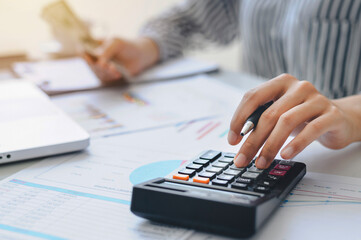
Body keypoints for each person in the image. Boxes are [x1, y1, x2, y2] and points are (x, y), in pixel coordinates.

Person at [85, 0, 361, 169]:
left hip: (346, 159)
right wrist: (146, 47)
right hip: (260, 155)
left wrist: (349, 114)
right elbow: (193, 16)